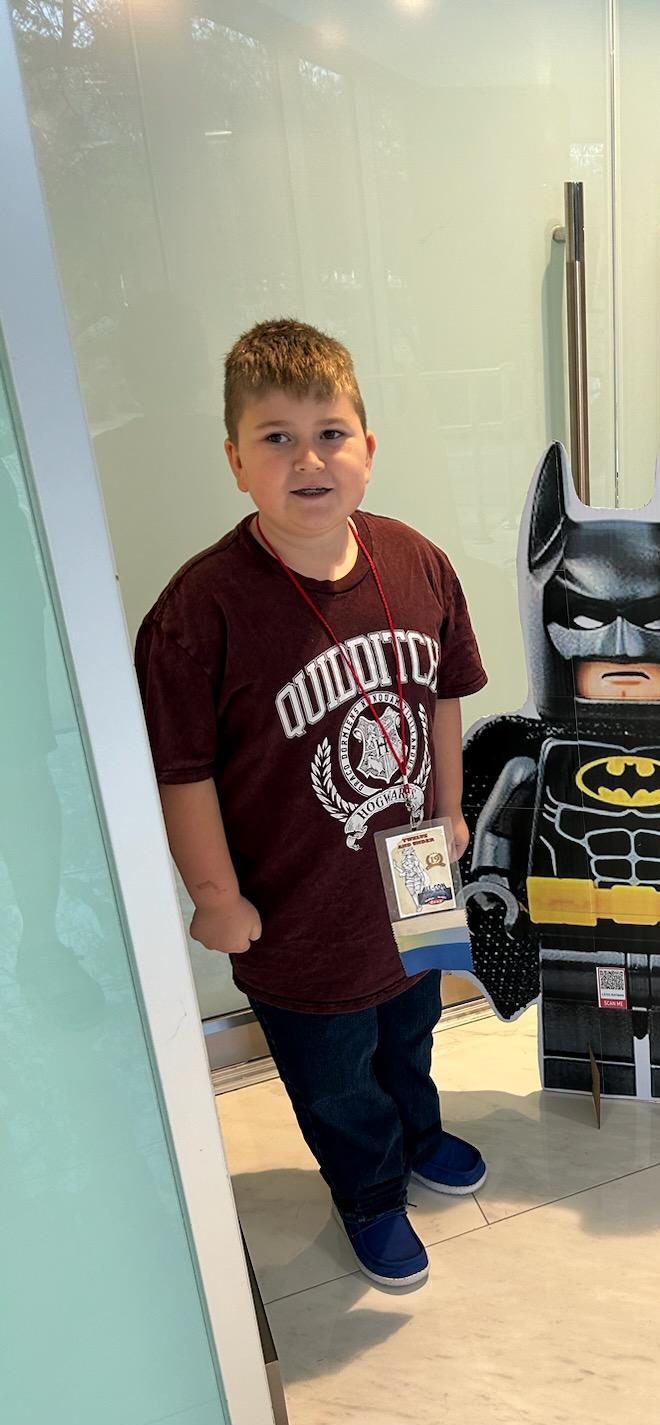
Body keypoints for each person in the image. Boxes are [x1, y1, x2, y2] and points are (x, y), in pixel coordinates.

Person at [136, 319, 488, 1290]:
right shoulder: (199, 612)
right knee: (333, 1069)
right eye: (277, 437)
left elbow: (444, 695)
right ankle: (369, 1188)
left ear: (367, 447)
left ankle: (419, 1132)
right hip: (295, 904)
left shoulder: (416, 561)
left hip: (415, 876)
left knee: (412, 1026)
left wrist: (452, 809)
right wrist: (216, 896)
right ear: (235, 462)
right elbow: (181, 771)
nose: (309, 458)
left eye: (330, 432)